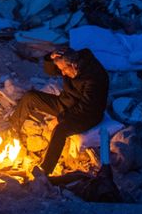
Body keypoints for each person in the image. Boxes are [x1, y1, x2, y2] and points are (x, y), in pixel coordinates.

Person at [8, 47, 109, 175]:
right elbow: (50, 70)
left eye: (64, 69)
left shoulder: (94, 78)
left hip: (87, 115)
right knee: (30, 97)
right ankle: (12, 129)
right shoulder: (70, 63)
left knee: (60, 130)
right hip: (65, 103)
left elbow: (85, 108)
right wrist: (50, 57)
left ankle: (45, 170)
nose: (62, 74)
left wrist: (60, 118)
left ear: (73, 65)